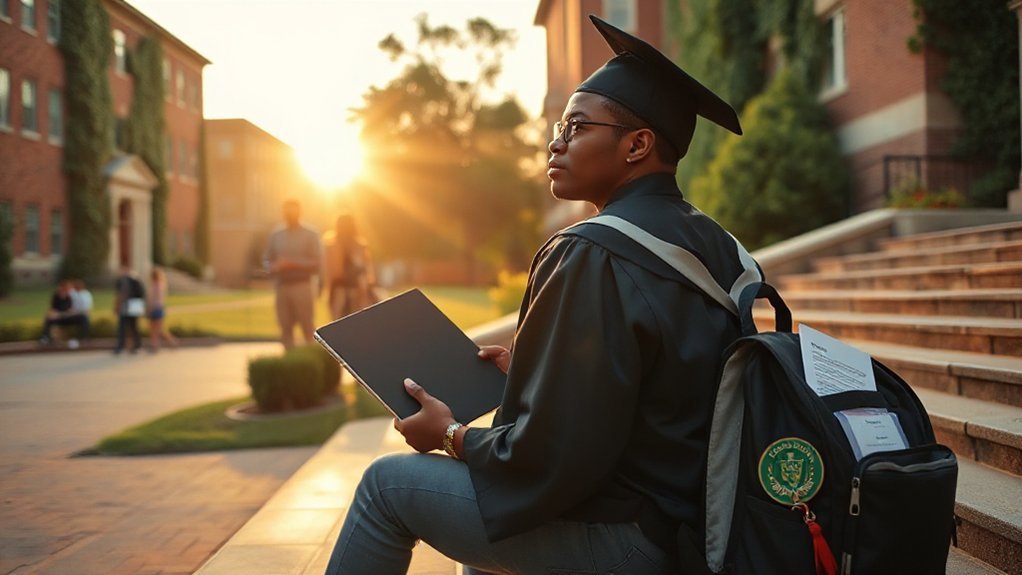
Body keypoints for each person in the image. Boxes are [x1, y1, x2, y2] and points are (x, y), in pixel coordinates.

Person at [324, 16, 754, 575]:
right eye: (559, 125)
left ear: (637, 145)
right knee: (485, 534)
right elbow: (651, 390)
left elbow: (551, 458)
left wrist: (452, 435)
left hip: (625, 541)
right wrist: (534, 372)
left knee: (386, 486)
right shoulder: (719, 248)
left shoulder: (594, 251)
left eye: (576, 127)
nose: (555, 142)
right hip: (691, 528)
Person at [263, 198, 322, 349]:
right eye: (286, 211)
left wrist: (293, 263)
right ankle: (289, 358)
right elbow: (267, 258)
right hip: (282, 286)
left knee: (307, 326)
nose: (289, 214)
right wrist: (272, 266)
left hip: (302, 285)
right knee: (284, 326)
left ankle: (310, 358)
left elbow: (317, 261)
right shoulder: (277, 235)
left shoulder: (310, 234)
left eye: (293, 211)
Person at [322, 212, 377, 318]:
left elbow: (366, 270)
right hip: (340, 290)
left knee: (355, 321)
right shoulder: (332, 246)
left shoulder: (359, 246)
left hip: (356, 290)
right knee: (340, 321)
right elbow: (331, 272)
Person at [38, 279, 89, 346]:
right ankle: (45, 338)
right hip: (59, 318)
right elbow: (52, 309)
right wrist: (53, 314)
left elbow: (71, 311)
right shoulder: (56, 296)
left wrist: (61, 314)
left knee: (83, 318)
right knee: (48, 319)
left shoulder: (70, 297)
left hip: (68, 317)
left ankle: (84, 338)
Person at [113, 265, 145, 355]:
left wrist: (116, 307)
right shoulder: (134, 280)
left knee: (127, 327)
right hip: (131, 306)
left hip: (129, 306)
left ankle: (124, 346)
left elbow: (120, 295)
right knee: (130, 327)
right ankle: (134, 346)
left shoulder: (128, 281)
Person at [147, 267, 178, 352]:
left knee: (154, 329)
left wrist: (148, 309)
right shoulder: (162, 285)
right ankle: (171, 342)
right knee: (159, 329)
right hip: (160, 308)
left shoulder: (154, 286)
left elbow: (151, 299)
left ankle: (156, 345)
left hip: (154, 308)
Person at [66, 278, 93, 348]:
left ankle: (85, 338)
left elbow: (88, 309)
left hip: (81, 315)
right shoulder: (71, 293)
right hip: (71, 315)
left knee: (85, 318)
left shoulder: (87, 294)